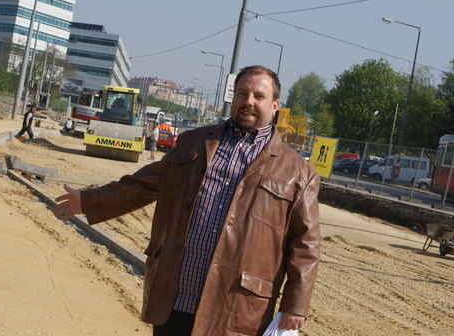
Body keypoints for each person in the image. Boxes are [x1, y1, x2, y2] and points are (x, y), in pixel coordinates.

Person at [51, 66, 320, 335]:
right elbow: (143, 184)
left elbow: (305, 243)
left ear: (274, 106)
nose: (248, 101)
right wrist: (88, 201)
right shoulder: (193, 142)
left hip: (235, 308)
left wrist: (296, 303)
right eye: (242, 93)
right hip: (177, 297)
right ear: (233, 98)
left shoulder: (298, 172)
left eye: (258, 96)